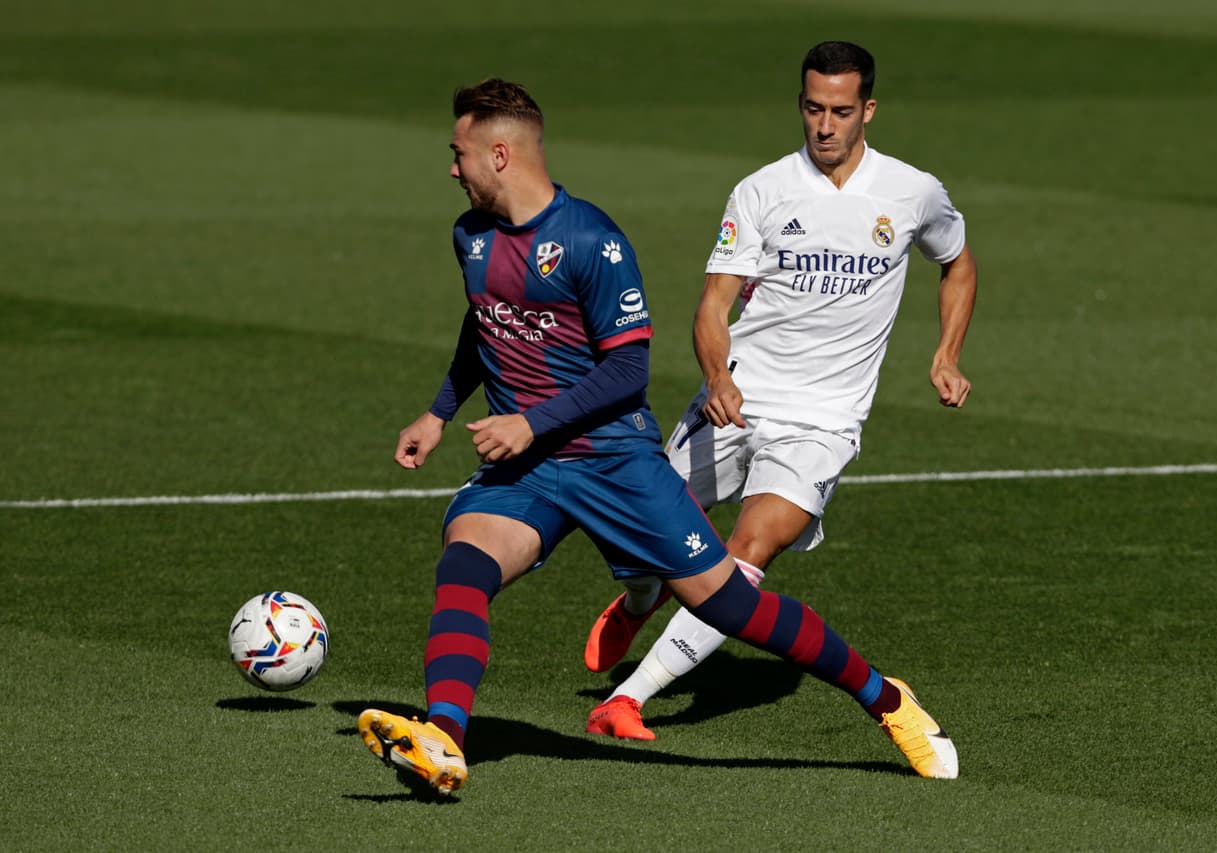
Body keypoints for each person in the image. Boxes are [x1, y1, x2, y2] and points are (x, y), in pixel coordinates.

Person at [356, 76, 958, 799]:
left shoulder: (590, 240)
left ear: (501, 154)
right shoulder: (471, 237)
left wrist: (527, 421)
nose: (451, 167)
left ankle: (886, 699)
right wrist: (440, 410)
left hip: (612, 460)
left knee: (729, 605)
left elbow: (628, 371)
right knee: (463, 568)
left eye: (459, 153)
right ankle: (445, 738)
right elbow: (484, 321)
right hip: (531, 468)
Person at [583, 40, 977, 744]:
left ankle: (629, 698)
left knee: (743, 553)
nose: (825, 125)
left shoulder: (912, 192)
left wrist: (945, 354)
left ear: (869, 111)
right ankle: (641, 592)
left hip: (822, 422)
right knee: (648, 534)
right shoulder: (762, 190)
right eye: (813, 108)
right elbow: (712, 306)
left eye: (841, 111)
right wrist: (718, 377)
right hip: (738, 396)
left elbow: (958, 264)